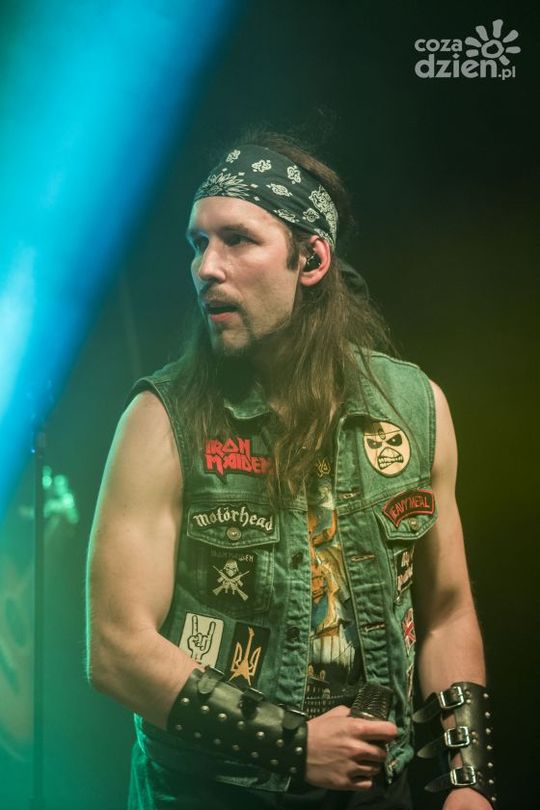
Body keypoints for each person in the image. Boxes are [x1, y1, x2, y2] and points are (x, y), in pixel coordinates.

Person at [86, 131, 496, 809]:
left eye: (237, 240)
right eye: (198, 242)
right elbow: (116, 649)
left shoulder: (415, 408)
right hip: (210, 794)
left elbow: (447, 614)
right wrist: (295, 744)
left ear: (312, 259)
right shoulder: (161, 420)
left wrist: (469, 781)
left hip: (374, 792)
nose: (206, 267)